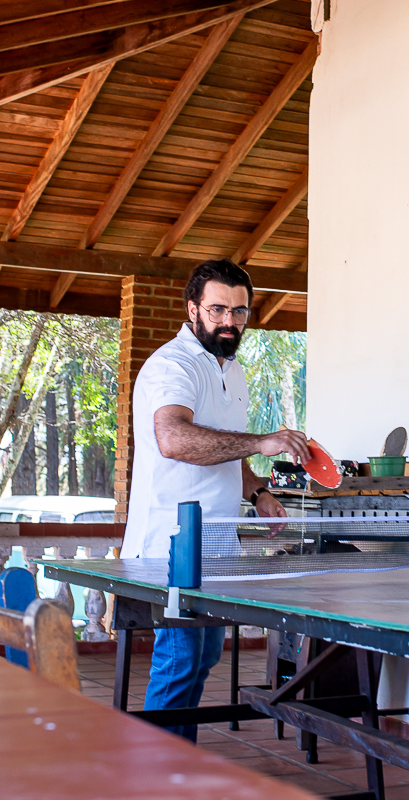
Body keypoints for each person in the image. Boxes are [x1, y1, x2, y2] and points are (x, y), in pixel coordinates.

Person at [119, 257, 310, 742]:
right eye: (218, 309)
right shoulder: (173, 364)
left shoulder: (233, 371)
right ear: (193, 309)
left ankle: (176, 765)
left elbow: (223, 448)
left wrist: (259, 491)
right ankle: (156, 772)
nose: (230, 321)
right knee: (181, 661)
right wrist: (262, 441)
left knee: (200, 660)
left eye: (239, 311)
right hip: (172, 545)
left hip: (215, 546)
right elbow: (174, 439)